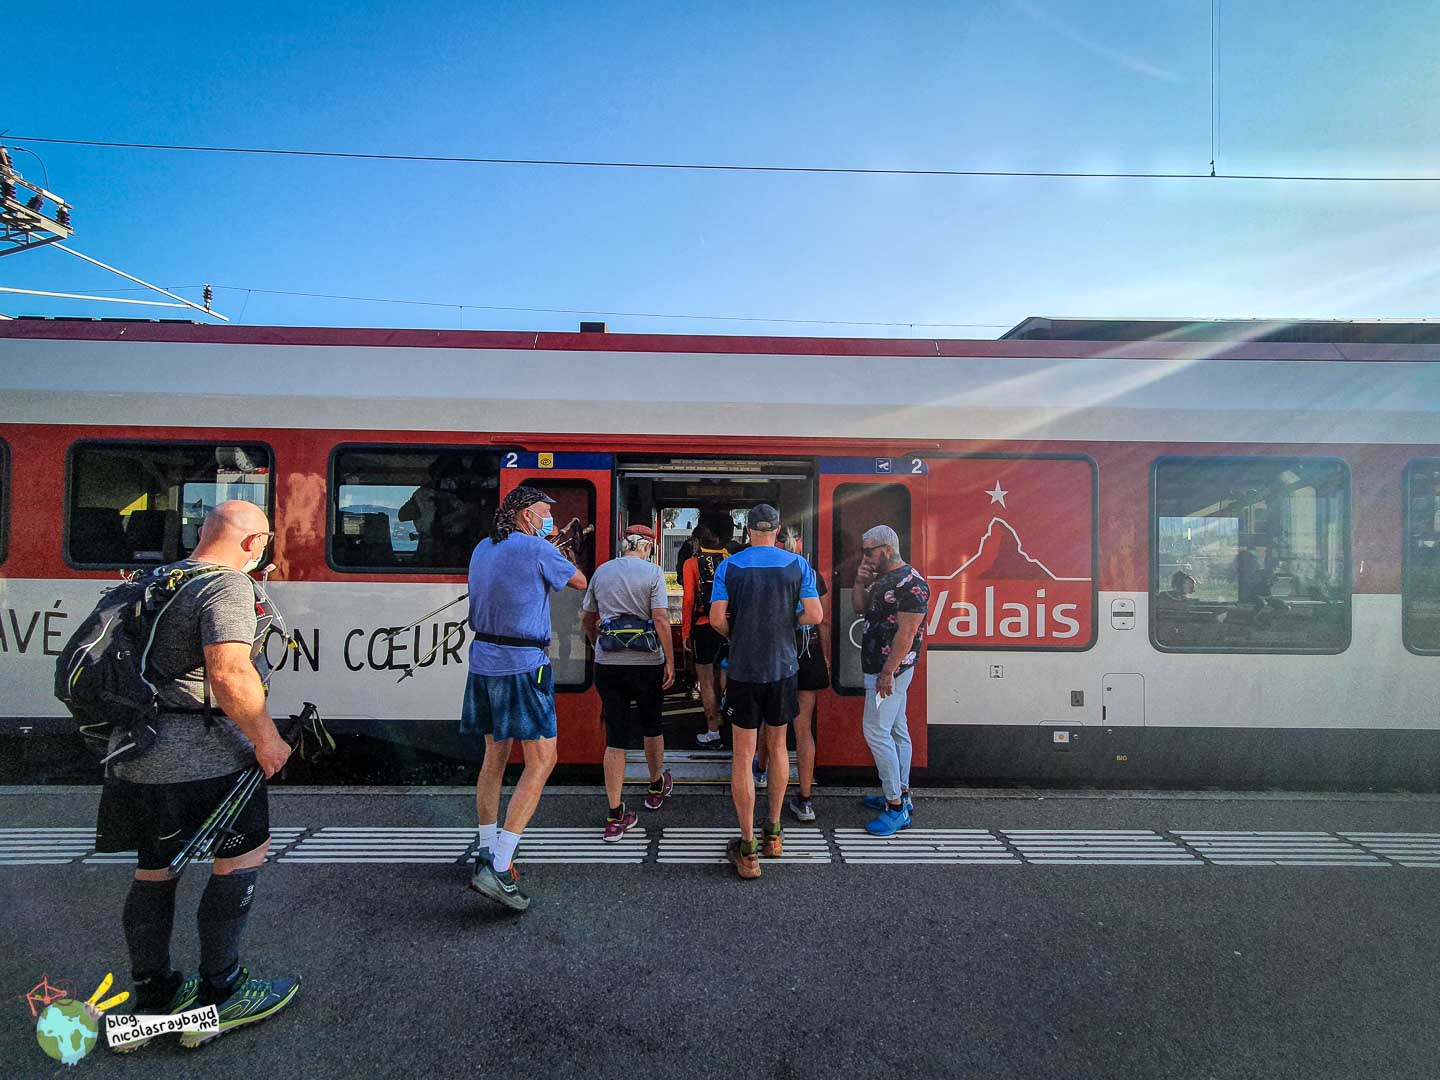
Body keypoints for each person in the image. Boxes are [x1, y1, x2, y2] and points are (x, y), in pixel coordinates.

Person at [93, 501, 298, 1050]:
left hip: (136, 753)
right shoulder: (226, 587)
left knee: (154, 871)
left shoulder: (150, 579)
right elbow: (229, 671)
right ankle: (221, 993)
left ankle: (153, 999)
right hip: (205, 758)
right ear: (254, 544)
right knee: (240, 858)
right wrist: (266, 739)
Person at [464, 486, 587, 912]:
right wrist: (557, 549)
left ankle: (484, 847)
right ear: (523, 515)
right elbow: (579, 582)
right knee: (542, 760)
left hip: (483, 661)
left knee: (493, 758)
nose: (548, 519)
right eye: (543, 513)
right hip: (522, 665)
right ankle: (499, 866)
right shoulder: (539, 549)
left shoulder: (482, 546)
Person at [709, 504, 822, 879]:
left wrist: (738, 635)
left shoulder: (729, 566)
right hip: (784, 668)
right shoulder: (798, 565)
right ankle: (773, 834)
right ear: (777, 530)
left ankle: (747, 849)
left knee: (743, 756)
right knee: (777, 747)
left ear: (747, 530)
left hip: (743, 670)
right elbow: (815, 615)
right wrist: (789, 625)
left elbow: (716, 620)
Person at [582, 524, 677, 842]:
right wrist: (670, 660)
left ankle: (614, 815)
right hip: (647, 662)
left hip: (608, 664)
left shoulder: (602, 572)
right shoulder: (653, 574)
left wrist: (598, 642)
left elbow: (587, 617)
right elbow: (661, 619)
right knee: (652, 725)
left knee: (616, 737)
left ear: (624, 544)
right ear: (649, 546)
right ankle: (655, 786)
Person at [852, 524, 930, 837]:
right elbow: (861, 609)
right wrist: (860, 581)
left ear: (886, 549)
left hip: (891, 671)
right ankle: (903, 793)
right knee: (898, 730)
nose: (865, 556)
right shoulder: (885, 579)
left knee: (875, 731)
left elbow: (907, 632)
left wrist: (888, 672)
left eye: (868, 551)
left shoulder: (912, 584)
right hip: (882, 669)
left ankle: (895, 806)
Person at [780, 523, 828, 822]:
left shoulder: (772, 573)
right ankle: (805, 799)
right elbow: (823, 621)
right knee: (803, 728)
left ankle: (761, 773)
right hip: (808, 652)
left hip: (778, 653)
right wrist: (825, 658)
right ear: (800, 543)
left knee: (771, 725)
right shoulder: (813, 574)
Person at [681, 524, 731, 748]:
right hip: (730, 625)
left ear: (696, 542)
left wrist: (685, 632)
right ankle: (730, 722)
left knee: (706, 680)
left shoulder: (691, 563)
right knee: (727, 673)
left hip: (704, 626)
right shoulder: (732, 560)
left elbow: (689, 600)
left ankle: (713, 732)